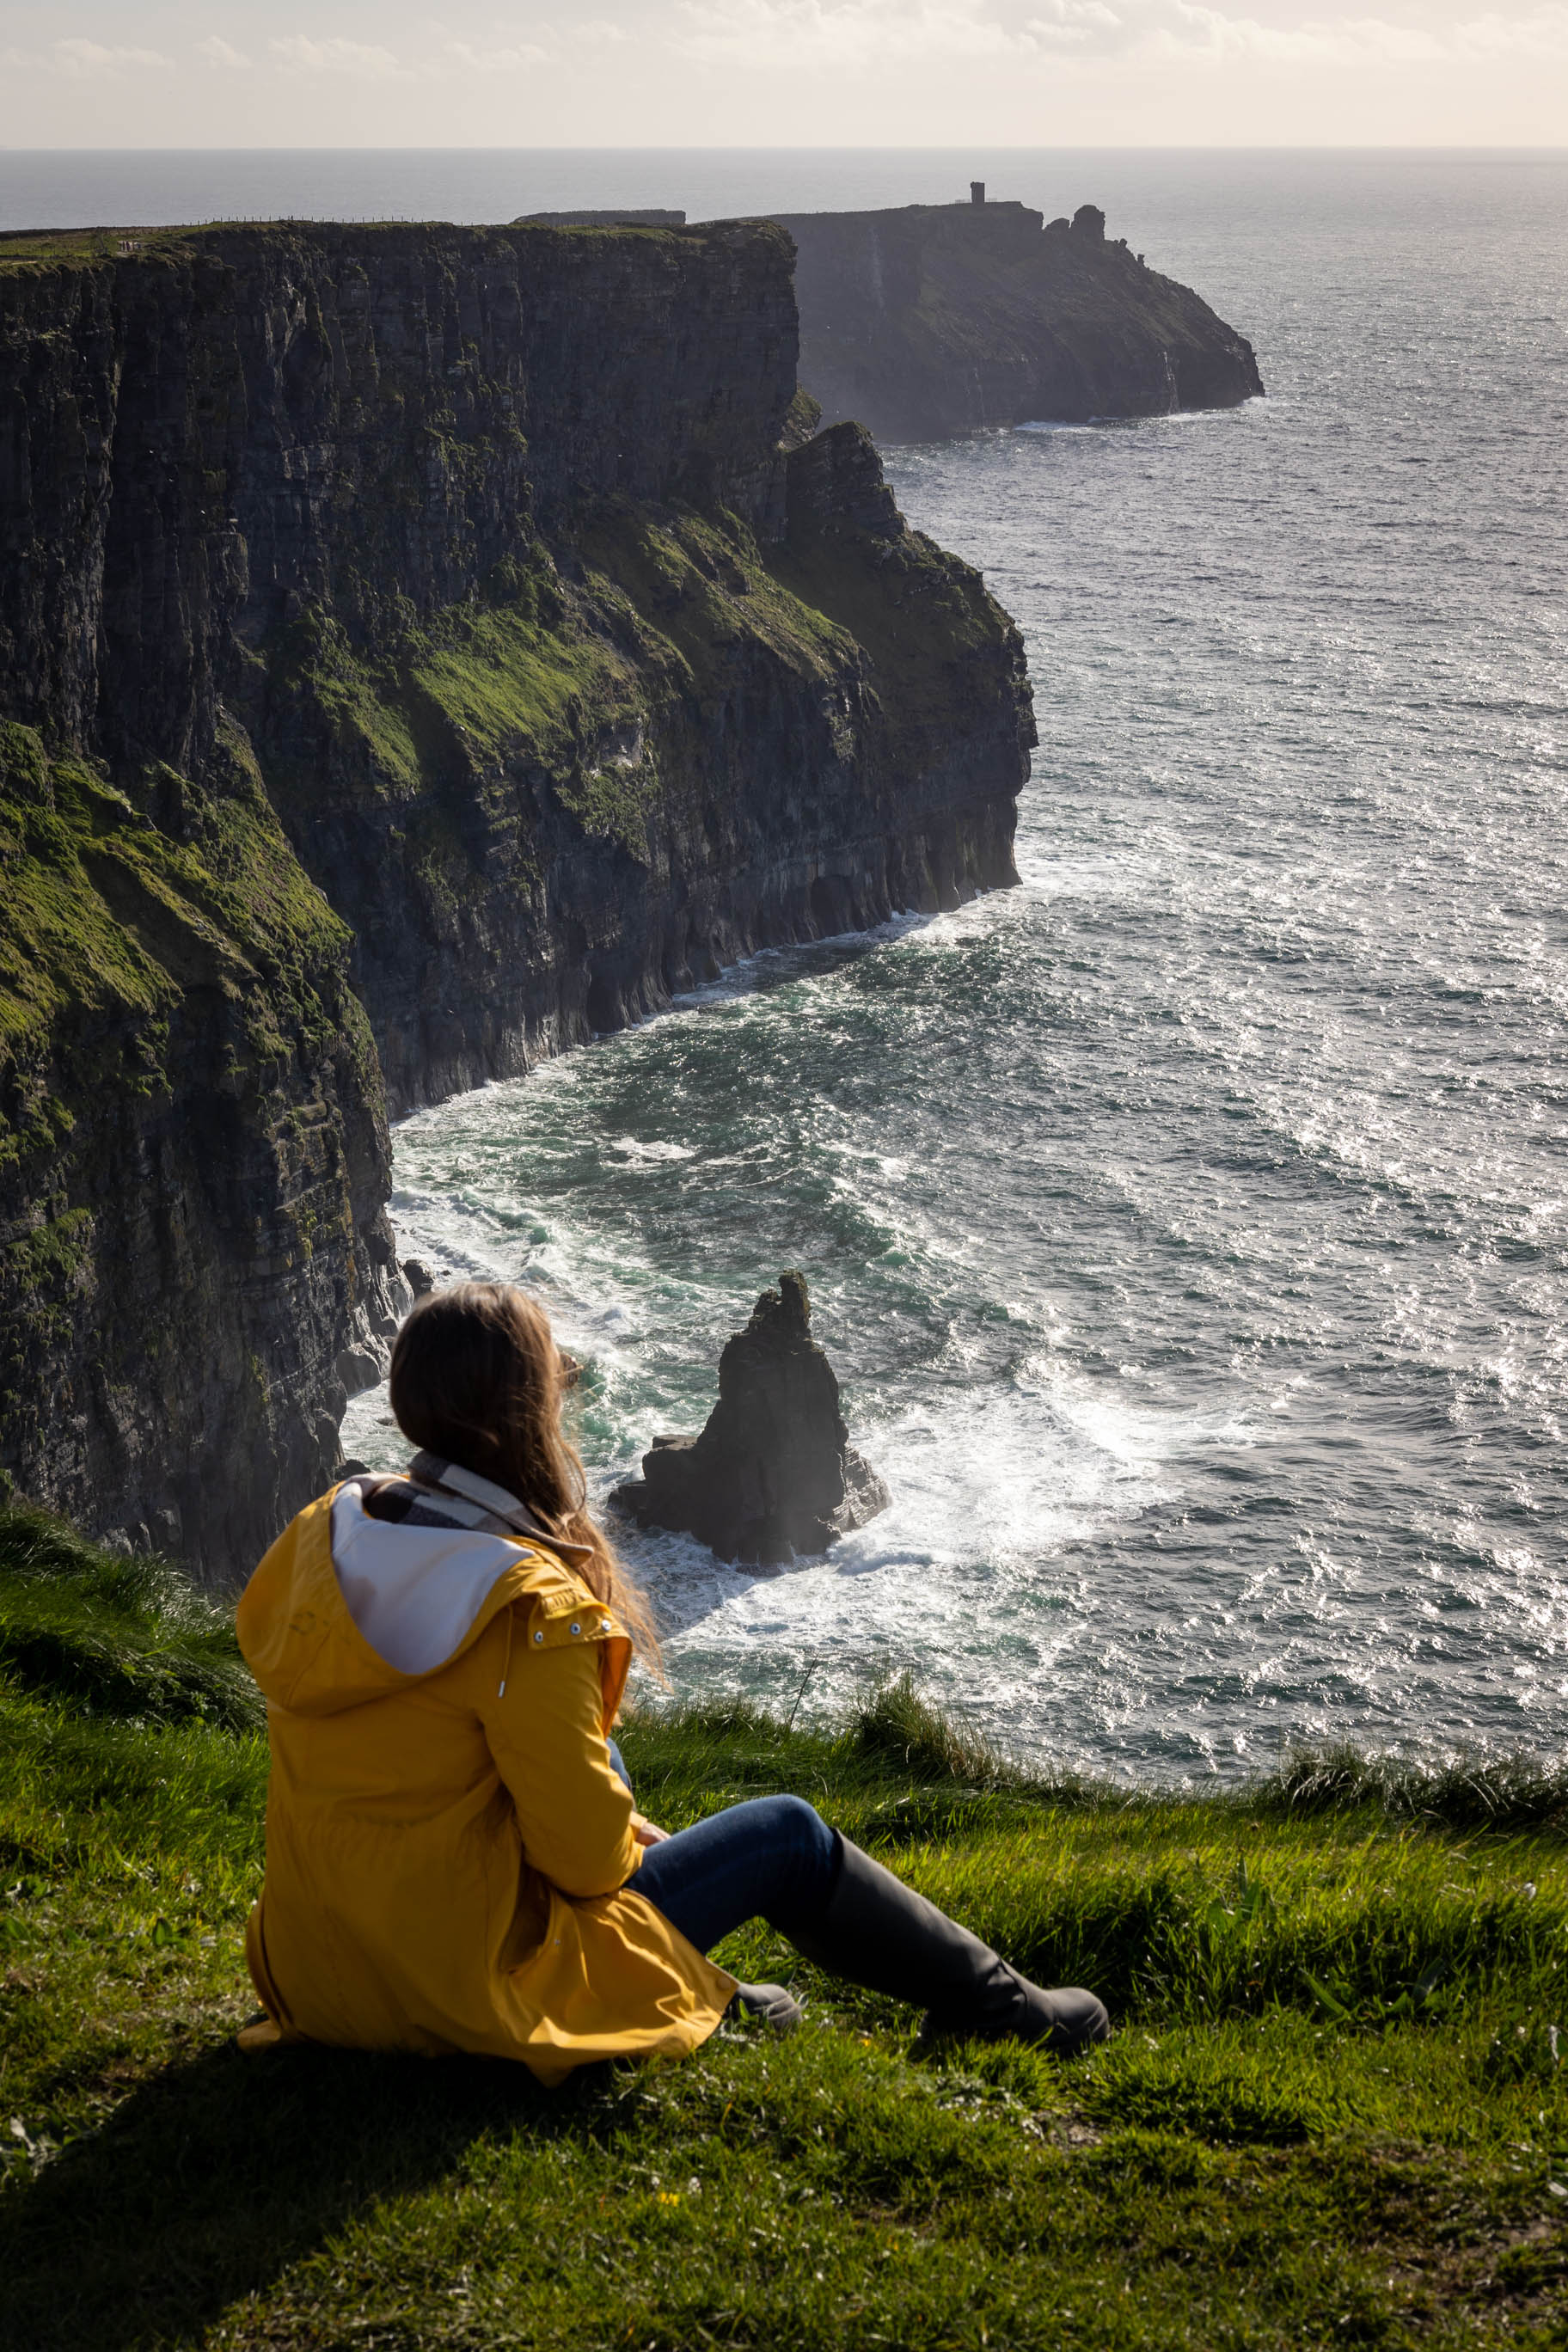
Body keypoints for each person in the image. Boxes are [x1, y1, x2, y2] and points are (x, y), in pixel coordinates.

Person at [236, 1282, 1108, 2086]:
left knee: (597, 1760)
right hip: (464, 1989)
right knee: (789, 1836)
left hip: (325, 1971)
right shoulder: (524, 1608)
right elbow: (583, 1868)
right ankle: (1007, 2013)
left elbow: (428, 1763)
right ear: (529, 1408)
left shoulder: (324, 1538)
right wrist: (619, 1833)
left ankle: (709, 1997)